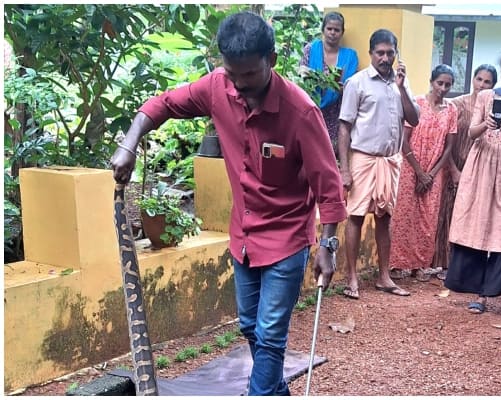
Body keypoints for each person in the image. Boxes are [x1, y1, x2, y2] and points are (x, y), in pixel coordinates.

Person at [110, 12, 346, 396]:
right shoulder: (220, 87)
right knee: (249, 326)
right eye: (231, 73)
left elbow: (328, 183)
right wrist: (128, 143)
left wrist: (329, 245)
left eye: (248, 75)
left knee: (270, 335)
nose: (238, 85)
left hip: (287, 239)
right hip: (244, 238)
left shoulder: (301, 112)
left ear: (271, 60)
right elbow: (162, 104)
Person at [444, 46, 501, 319]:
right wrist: (488, 124)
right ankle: (481, 294)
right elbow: (471, 132)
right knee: (481, 225)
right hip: (482, 164)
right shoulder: (486, 96)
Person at [338, 28, 420, 299]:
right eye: (380, 53)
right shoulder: (357, 82)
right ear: (371, 53)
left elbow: (414, 119)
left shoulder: (400, 83)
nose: (385, 58)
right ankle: (351, 278)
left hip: (390, 161)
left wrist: (401, 88)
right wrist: (345, 169)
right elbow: (344, 128)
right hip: (363, 158)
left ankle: (384, 277)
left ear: (396, 54)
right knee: (356, 216)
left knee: (384, 218)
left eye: (390, 53)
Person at [389, 64, 458, 281]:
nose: (443, 88)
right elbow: (404, 140)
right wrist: (419, 172)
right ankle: (398, 264)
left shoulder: (452, 110)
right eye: (440, 83)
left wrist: (432, 173)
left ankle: (419, 264)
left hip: (435, 170)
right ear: (432, 81)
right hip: (412, 167)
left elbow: (449, 147)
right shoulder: (417, 103)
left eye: (448, 85)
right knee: (405, 215)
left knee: (428, 218)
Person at [432, 64, 498, 280]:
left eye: (487, 82)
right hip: (454, 167)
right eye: (479, 79)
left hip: (479, 170)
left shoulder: (495, 108)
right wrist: (452, 169)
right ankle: (441, 263)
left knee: (470, 216)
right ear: (473, 80)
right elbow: (445, 141)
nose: (482, 85)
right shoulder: (457, 105)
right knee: (446, 214)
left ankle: (463, 268)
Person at [300, 11, 359, 154]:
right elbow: (301, 76)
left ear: (342, 32)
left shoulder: (350, 56)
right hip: (310, 110)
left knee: (330, 155)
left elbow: (351, 87)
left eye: (337, 30)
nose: (332, 33)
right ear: (323, 30)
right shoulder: (311, 49)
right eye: (329, 29)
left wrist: (337, 87)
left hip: (336, 115)